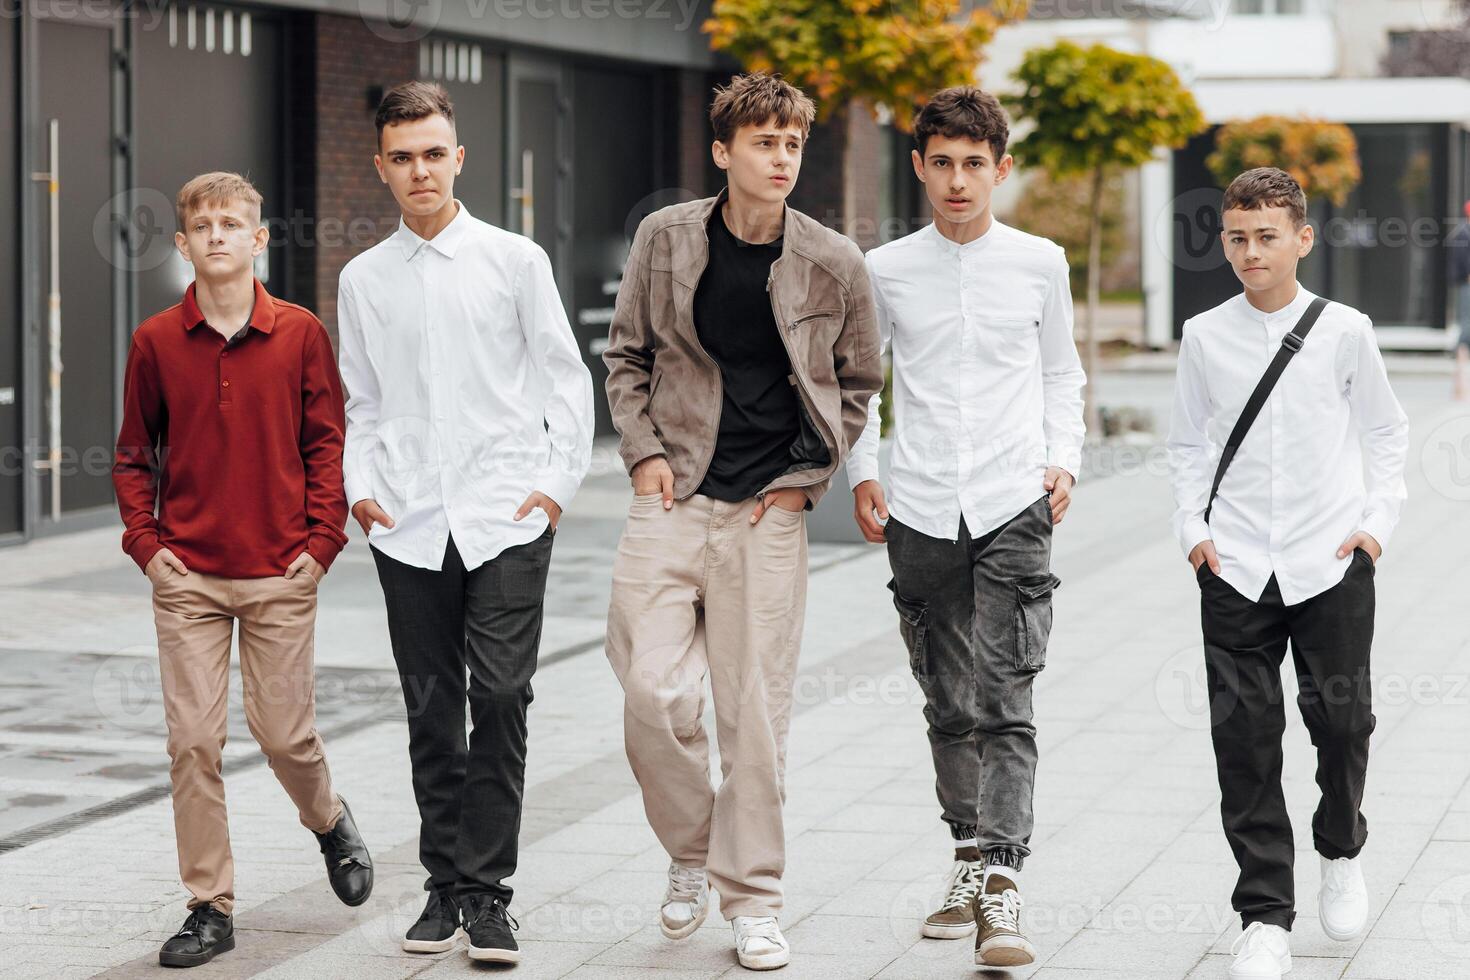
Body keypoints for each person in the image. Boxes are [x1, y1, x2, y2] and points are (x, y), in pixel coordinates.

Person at [601, 71, 883, 971]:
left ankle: (754, 899)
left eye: (793, 143)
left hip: (768, 511)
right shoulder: (667, 236)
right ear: (724, 152)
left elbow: (859, 385)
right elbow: (627, 357)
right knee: (650, 691)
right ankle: (693, 851)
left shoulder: (833, 260)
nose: (782, 158)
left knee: (754, 718)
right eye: (764, 142)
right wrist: (644, 456)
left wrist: (808, 480)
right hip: (671, 497)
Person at [336, 81, 594, 965]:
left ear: (459, 157)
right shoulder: (363, 278)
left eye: (433, 153)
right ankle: (444, 886)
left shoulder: (515, 261)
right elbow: (360, 405)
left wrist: (555, 487)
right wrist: (359, 488)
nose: (419, 170)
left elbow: (567, 380)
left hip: (508, 517)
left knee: (502, 695)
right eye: (402, 157)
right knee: (432, 707)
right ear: (381, 166)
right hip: (406, 520)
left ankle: (489, 894)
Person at [847, 86, 1086, 968]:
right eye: (941, 163)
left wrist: (1065, 457)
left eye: (974, 165)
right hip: (916, 505)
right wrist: (864, 474)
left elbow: (1063, 375)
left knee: (1005, 694)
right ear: (918, 166)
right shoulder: (884, 270)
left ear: (1002, 169)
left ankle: (1003, 883)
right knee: (945, 696)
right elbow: (860, 384)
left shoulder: (1040, 262)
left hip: (1013, 500)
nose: (958, 181)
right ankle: (965, 853)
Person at [113, 171, 372, 968]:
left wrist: (320, 545)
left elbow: (327, 444)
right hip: (187, 577)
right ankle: (210, 905)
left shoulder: (299, 334)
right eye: (204, 225)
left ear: (259, 240)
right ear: (183, 243)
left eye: (234, 223)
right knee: (193, 743)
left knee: (285, 736)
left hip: (278, 573)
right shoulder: (155, 341)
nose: (218, 235)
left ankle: (328, 819)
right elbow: (131, 456)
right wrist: (149, 550)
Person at [1167, 167, 1408, 980]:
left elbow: (1386, 433)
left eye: (1267, 236)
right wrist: (1191, 531)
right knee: (1244, 742)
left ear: (1302, 239)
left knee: (1343, 726)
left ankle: (1340, 847)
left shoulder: (1345, 330)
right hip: (1234, 566)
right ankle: (1264, 914)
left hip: (1329, 562)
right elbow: (1189, 444)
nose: (1249, 252)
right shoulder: (1204, 334)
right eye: (1237, 237)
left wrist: (1374, 528)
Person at [1449, 200, 1470, 400]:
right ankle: (1460, 352)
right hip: (1467, 285)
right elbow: (1461, 263)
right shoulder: (1464, 233)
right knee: (1466, 321)